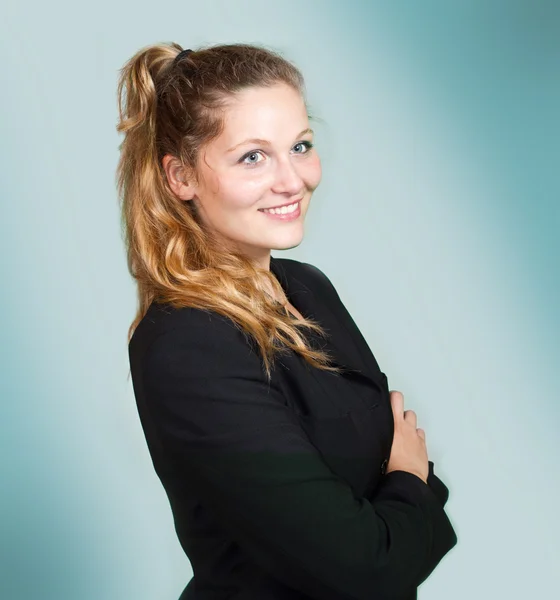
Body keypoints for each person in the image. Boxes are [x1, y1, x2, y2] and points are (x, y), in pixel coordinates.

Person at [116, 42, 457, 600]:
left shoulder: (306, 286)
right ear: (180, 177)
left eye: (300, 146)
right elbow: (366, 567)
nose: (292, 180)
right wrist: (407, 482)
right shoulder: (187, 345)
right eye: (253, 156)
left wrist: (402, 491)